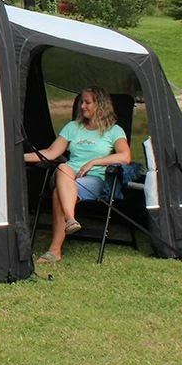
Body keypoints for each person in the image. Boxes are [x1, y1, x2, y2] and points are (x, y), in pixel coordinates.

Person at [23, 86, 130, 263]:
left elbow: (125, 157)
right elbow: (50, 153)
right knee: (63, 168)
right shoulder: (72, 127)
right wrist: (20, 157)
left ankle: (55, 250)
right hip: (67, 174)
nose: (82, 106)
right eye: (81, 102)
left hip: (94, 179)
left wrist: (94, 162)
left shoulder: (114, 131)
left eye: (87, 102)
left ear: (100, 105)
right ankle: (70, 219)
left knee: (58, 192)